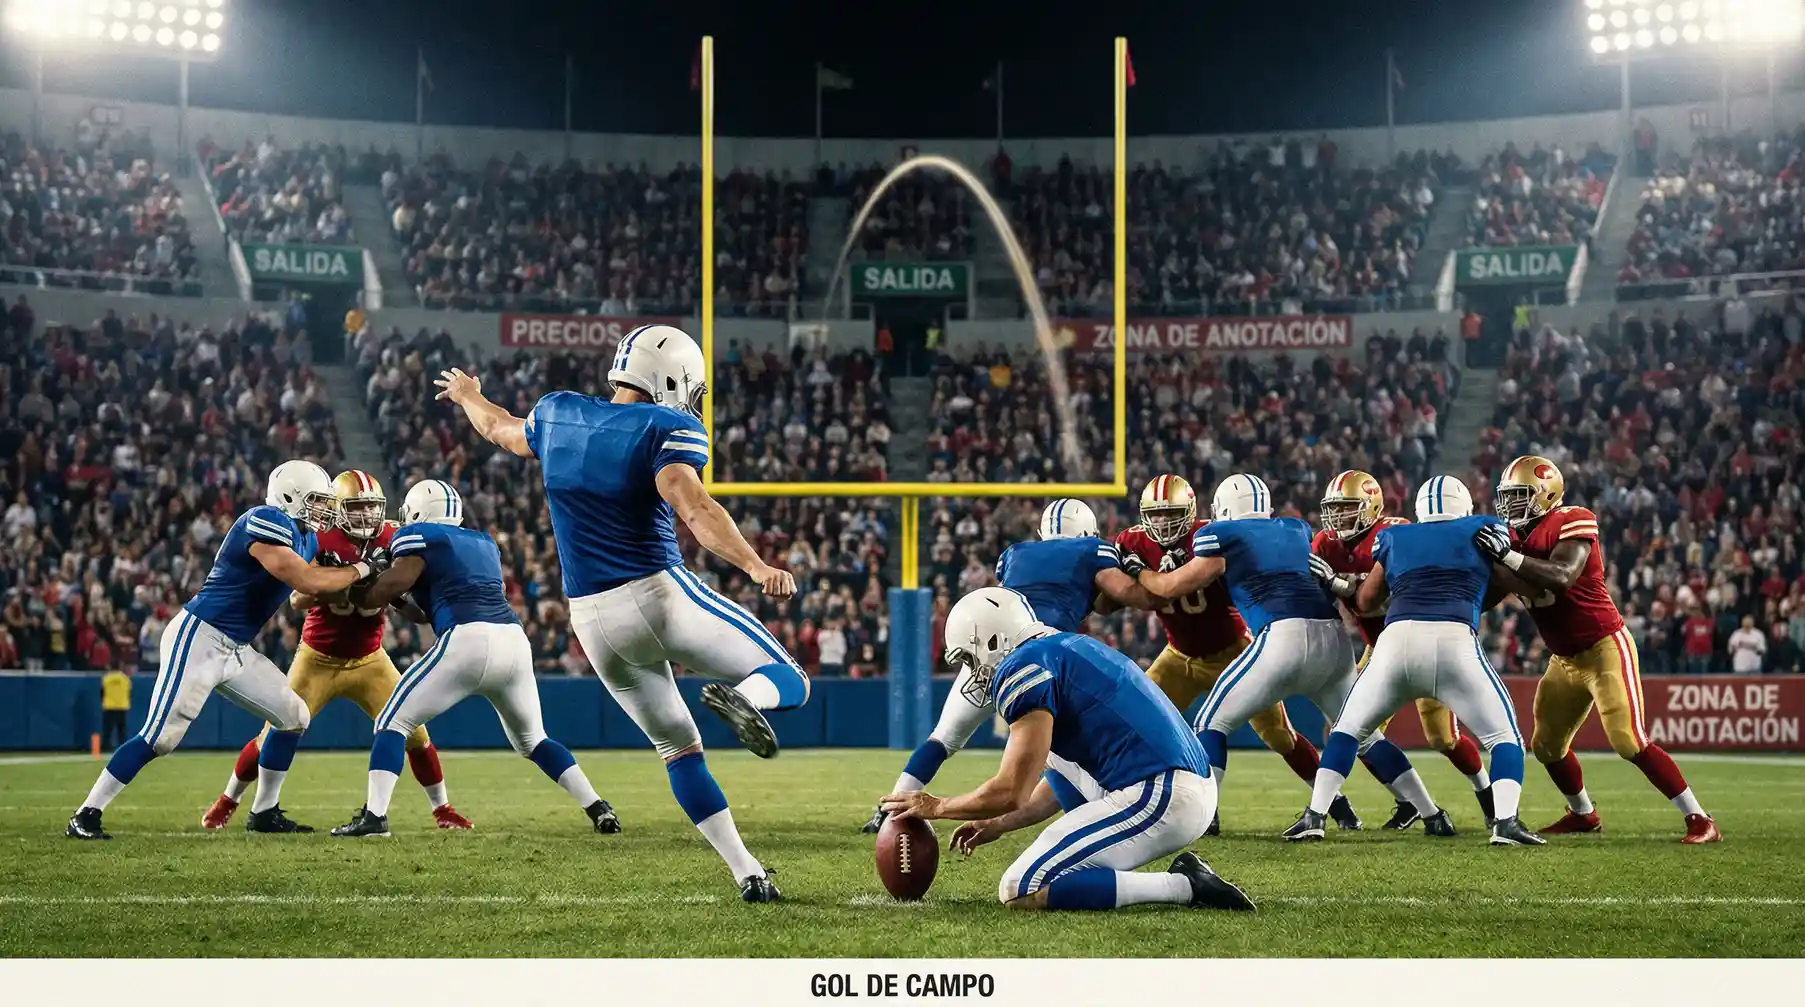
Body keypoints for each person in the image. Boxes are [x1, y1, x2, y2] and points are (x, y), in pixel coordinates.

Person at [435, 323, 799, 901]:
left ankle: (748, 872)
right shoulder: (666, 427)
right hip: (658, 595)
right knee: (789, 679)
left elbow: (498, 429)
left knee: (678, 749)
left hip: (593, 623)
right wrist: (756, 567)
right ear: (674, 378)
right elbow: (696, 507)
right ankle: (746, 700)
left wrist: (468, 395)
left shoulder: (558, 415)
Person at [878, 586, 1255, 913]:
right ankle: (1129, 869)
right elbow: (1058, 781)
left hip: (1161, 794)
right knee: (1056, 779)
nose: (973, 672)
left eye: (970, 658)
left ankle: (1185, 886)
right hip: (1176, 787)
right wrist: (995, 824)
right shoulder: (1063, 648)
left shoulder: (1023, 666)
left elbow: (1012, 790)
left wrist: (937, 806)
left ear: (992, 641)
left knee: (1021, 888)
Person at [66, 461, 378, 840]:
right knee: (160, 737)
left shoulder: (308, 538)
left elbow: (309, 591)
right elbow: (304, 579)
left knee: (294, 715)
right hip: (199, 636)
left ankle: (263, 812)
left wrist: (355, 575)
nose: (323, 510)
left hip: (236, 647)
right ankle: (86, 813)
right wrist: (361, 569)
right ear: (290, 497)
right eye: (315, 500)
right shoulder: (264, 520)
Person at [1135, 473, 1450, 837]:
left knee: (1210, 724)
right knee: (1363, 734)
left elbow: (1174, 586)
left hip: (1282, 635)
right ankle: (1432, 813)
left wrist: (1141, 572)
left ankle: (1203, 816)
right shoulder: (1296, 528)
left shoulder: (1219, 534)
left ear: (1220, 510)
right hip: (1333, 638)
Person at [330, 481, 615, 838]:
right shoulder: (484, 543)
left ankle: (375, 817)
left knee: (391, 722)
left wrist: (362, 585)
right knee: (534, 741)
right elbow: (423, 613)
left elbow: (388, 587)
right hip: (512, 640)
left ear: (418, 512)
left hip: (468, 640)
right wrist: (392, 595)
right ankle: (597, 806)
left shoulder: (419, 534)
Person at [861, 498, 1158, 833]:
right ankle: (1097, 820)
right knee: (1064, 757)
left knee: (942, 738)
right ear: (1088, 532)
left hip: (987, 653)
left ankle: (889, 807)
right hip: (1042, 662)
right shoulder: (1095, 550)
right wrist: (1139, 570)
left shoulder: (1016, 553)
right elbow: (1123, 596)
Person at [201, 471, 473, 832]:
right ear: (338, 509)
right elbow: (298, 599)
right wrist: (348, 574)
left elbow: (411, 600)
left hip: (370, 658)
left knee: (416, 733)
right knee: (274, 731)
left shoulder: (394, 537)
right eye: (357, 508)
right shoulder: (317, 536)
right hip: (318, 657)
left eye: (372, 508)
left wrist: (400, 595)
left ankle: (443, 809)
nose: (365, 517)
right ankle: (229, 799)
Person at [1478, 455, 1720, 843]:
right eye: (1507, 497)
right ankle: (1583, 814)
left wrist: (1505, 557)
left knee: (1628, 740)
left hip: (1605, 646)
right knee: (1546, 746)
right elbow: (1488, 595)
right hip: (1564, 658)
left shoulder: (1570, 519)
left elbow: (1561, 577)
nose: (1511, 506)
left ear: (1547, 494)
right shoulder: (1513, 537)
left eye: (1520, 496)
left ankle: (1700, 818)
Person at [1290, 476, 1540, 846]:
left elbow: (1367, 602)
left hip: (1395, 643)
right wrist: (1507, 555)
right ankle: (1504, 822)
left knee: (1346, 731)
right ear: (1464, 508)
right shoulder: (1485, 528)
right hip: (1454, 641)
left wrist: (1339, 585)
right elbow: (1518, 583)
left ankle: (1316, 815)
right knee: (1504, 737)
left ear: (1420, 509)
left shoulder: (1395, 538)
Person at [1118, 474, 1360, 832]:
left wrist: (1165, 571)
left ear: (1191, 512)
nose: (1162, 523)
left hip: (1232, 649)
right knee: (1131, 717)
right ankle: (1120, 797)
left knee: (1279, 734)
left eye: (1171, 514)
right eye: (1155, 515)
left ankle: (1336, 803)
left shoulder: (1216, 533)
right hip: (1178, 655)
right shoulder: (1132, 542)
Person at [1312, 470, 1497, 828]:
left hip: (1423, 638)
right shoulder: (1326, 543)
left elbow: (1393, 596)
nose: (1339, 518)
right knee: (1350, 731)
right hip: (1378, 648)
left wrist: (1343, 585)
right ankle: (1410, 802)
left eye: (1348, 508)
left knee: (1443, 738)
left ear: (1371, 507)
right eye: (1334, 509)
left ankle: (1485, 790)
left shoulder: (1394, 534)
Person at [99, 666, 130, 751]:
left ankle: (106, 747)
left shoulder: (106, 678)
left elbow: (102, 692)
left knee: (107, 730)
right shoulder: (125, 678)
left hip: (109, 706)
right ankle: (123, 747)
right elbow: (128, 690)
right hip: (121, 706)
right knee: (121, 730)